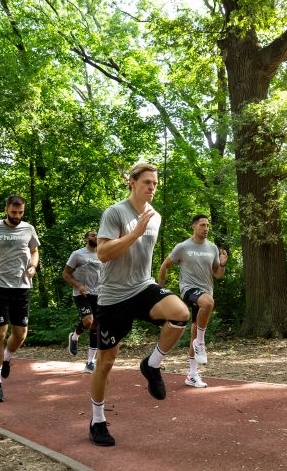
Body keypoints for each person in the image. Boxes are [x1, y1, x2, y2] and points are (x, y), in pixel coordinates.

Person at [88, 162, 190, 447]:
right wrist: (134, 233)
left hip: (142, 286)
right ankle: (97, 420)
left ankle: (151, 364)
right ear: (132, 183)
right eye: (146, 182)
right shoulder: (115, 212)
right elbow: (104, 254)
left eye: (155, 183)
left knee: (180, 314)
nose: (152, 187)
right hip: (112, 296)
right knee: (106, 362)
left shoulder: (155, 216)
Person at [0, 194, 40, 403]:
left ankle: (7, 358)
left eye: (20, 213)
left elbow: (34, 250)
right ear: (6, 210)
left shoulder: (28, 228)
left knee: (20, 335)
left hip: (21, 287)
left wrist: (33, 266)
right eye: (13, 212)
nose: (17, 216)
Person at [158, 214, 227, 389]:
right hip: (189, 290)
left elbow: (217, 274)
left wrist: (223, 264)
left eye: (208, 225)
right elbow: (165, 265)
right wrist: (160, 289)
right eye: (203, 225)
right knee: (208, 303)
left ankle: (192, 374)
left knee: (195, 333)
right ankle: (201, 344)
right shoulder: (183, 247)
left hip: (206, 292)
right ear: (194, 227)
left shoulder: (212, 248)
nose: (206, 228)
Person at [62, 230, 102, 373]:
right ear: (86, 238)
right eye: (92, 234)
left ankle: (90, 362)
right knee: (88, 321)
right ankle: (75, 336)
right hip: (81, 293)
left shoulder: (104, 254)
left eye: (97, 234)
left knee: (96, 327)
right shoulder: (77, 254)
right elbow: (65, 274)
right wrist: (78, 285)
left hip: (99, 294)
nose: (95, 236)